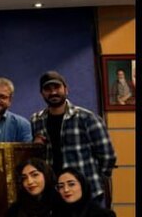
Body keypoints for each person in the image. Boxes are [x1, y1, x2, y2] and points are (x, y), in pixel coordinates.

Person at [30, 71, 117, 208]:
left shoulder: (87, 118)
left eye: (57, 87)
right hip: (54, 194)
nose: (53, 92)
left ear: (66, 89)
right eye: (48, 89)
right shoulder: (36, 120)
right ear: (42, 93)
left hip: (86, 193)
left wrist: (94, 180)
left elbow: (107, 156)